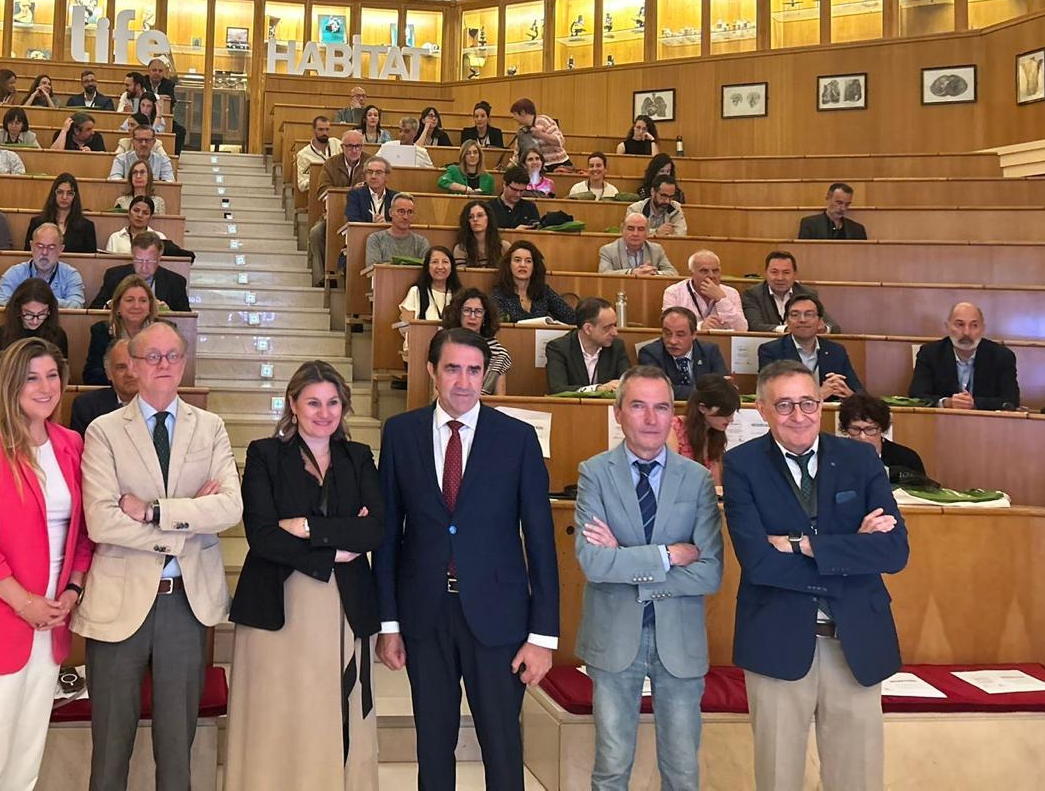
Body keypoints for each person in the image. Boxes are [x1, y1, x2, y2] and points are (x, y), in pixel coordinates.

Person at [374, 327, 559, 789]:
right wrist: (389, 624)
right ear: (431, 371)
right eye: (452, 369)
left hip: (499, 618)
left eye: (474, 370)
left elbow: (540, 541)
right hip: (425, 616)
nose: (463, 381)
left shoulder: (517, 438)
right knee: (433, 747)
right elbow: (388, 535)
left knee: (502, 747)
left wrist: (543, 636)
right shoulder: (401, 433)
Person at [723, 361, 908, 791]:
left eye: (808, 402)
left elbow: (894, 551)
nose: (799, 415)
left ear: (822, 405)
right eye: (784, 405)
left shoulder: (860, 458)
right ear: (762, 409)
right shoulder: (741, 465)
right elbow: (758, 562)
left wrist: (803, 545)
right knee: (778, 778)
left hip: (856, 640)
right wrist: (851, 549)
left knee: (858, 781)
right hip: (776, 638)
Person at [74, 322, 242, 791]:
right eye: (152, 357)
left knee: (176, 750)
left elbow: (230, 508)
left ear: (184, 363)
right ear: (132, 365)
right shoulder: (104, 431)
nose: (163, 365)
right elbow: (102, 521)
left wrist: (154, 512)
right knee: (110, 750)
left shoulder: (210, 427)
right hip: (118, 601)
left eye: (172, 356)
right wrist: (187, 524)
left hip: (184, 602)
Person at [227, 361, 384, 791]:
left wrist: (307, 526)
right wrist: (334, 549)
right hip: (278, 604)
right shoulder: (265, 454)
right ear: (292, 404)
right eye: (313, 402)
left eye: (333, 403)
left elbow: (375, 529)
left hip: (344, 604)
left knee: (333, 709)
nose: (324, 412)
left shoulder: (358, 457)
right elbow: (262, 535)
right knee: (278, 714)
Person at [0, 336, 92, 791]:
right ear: (10, 384)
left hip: (50, 624)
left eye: (52, 376)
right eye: (31, 378)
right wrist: (25, 603)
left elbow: (83, 533)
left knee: (25, 761)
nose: (46, 387)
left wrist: (72, 591)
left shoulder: (70, 444)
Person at [576, 366, 722, 791]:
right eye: (639, 406)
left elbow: (709, 572)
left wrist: (625, 561)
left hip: (680, 640)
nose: (651, 418)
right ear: (618, 412)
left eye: (662, 407)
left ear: (673, 415)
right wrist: (667, 555)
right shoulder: (594, 473)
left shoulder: (697, 479)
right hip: (613, 636)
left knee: (682, 769)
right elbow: (593, 563)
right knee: (611, 767)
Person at [909, 300, 1021, 410]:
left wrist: (974, 403)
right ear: (947, 327)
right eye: (960, 325)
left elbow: (1011, 400)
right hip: (942, 420)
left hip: (986, 421)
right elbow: (916, 396)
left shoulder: (1002, 356)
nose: (966, 332)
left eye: (974, 325)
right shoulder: (929, 353)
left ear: (983, 329)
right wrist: (947, 402)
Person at [757, 295, 863, 398]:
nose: (802, 320)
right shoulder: (771, 351)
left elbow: (859, 391)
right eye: (795, 315)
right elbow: (769, 393)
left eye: (808, 314)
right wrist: (818, 395)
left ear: (820, 322)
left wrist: (849, 394)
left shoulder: (836, 351)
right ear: (787, 322)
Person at [309, 131, 367, 287]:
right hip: (334, 214)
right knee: (316, 233)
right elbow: (322, 190)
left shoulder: (370, 163)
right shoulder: (331, 163)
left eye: (358, 146)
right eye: (350, 146)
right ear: (342, 147)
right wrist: (351, 190)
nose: (354, 150)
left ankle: (356, 279)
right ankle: (327, 274)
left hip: (363, 215)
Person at [82, 275, 158, 385]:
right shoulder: (102, 331)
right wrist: (124, 382)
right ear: (117, 306)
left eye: (143, 300)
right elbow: (91, 375)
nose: (136, 306)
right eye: (129, 300)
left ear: (150, 307)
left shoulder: (162, 332)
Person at [544, 297, 630, 394]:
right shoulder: (559, 348)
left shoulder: (617, 347)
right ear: (588, 329)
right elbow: (557, 389)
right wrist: (597, 389)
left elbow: (628, 384)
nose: (615, 333)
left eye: (614, 325)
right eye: (607, 328)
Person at [91, 233, 192, 313]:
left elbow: (186, 320)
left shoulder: (175, 282)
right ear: (132, 256)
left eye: (150, 261)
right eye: (139, 260)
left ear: (159, 257)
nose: (144, 267)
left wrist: (168, 312)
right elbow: (94, 309)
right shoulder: (114, 275)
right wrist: (109, 305)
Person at [0, 278, 69, 368]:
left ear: (50, 311)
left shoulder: (58, 335)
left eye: (41, 314)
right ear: (18, 310)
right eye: (28, 314)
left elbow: (63, 372)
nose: (35, 321)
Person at [743, 251, 839, 333]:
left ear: (795, 274)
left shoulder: (807, 293)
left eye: (786, 272)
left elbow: (834, 327)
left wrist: (824, 329)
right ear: (766, 273)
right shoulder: (752, 294)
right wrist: (785, 329)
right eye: (774, 272)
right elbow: (754, 326)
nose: (780, 278)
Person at [0, 223, 84, 308]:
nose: (44, 252)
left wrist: (42, 300)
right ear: (31, 246)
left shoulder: (70, 274)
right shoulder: (15, 272)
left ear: (61, 249)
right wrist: (30, 302)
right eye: (40, 246)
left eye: (51, 247)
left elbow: (77, 305)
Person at [839, 395, 928, 480]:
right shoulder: (835, 457)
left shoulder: (906, 459)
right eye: (855, 429)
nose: (862, 437)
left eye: (870, 429)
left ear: (882, 428)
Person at [637, 307, 727, 390]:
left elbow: (722, 387)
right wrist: (705, 392)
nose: (672, 341)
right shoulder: (650, 353)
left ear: (694, 334)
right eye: (667, 334)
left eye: (680, 335)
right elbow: (659, 389)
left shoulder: (710, 351)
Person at [672, 374, 739, 486]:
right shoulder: (675, 429)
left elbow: (717, 485)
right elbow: (669, 476)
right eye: (725, 413)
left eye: (732, 412)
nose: (731, 419)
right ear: (702, 408)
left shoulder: (715, 433)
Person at [441, 291, 511, 394]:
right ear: (458, 314)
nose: (472, 316)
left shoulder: (499, 354)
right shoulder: (444, 347)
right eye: (467, 310)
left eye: (478, 311)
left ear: (485, 316)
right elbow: (437, 393)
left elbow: (499, 399)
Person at [491, 239, 575, 324]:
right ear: (508, 264)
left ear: (534, 266)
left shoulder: (544, 291)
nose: (523, 265)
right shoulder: (499, 294)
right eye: (517, 260)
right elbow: (498, 324)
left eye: (528, 261)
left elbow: (571, 318)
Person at [662, 250, 747, 331]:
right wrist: (700, 326)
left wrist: (721, 300)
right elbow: (669, 325)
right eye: (704, 271)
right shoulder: (674, 292)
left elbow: (742, 328)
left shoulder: (732, 293)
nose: (711, 276)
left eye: (715, 271)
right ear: (691, 273)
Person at [69, 337, 138, 436]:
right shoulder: (87, 407)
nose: (130, 374)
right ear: (108, 373)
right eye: (121, 367)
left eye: (136, 366)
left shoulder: (160, 405)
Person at [24, 173, 97, 254]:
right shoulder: (37, 223)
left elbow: (90, 259)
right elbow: (28, 254)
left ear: (75, 197)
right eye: (60, 192)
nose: (64, 197)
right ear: (54, 194)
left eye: (70, 193)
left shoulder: (87, 227)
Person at [597, 214, 679, 276]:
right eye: (630, 229)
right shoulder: (608, 250)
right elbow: (604, 273)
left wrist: (653, 272)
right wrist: (632, 272)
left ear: (647, 232)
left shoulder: (656, 250)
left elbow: (673, 273)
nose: (635, 234)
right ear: (622, 230)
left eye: (640, 229)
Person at [365, 192, 430, 267]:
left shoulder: (421, 242)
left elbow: (427, 269)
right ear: (390, 213)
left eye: (410, 212)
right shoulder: (376, 239)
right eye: (401, 211)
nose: (405, 217)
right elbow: (373, 269)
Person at [798, 182, 868, 240]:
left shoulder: (857, 229)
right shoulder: (810, 224)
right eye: (839, 203)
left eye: (847, 204)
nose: (843, 208)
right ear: (827, 199)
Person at [109, 123, 174, 183]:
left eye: (147, 140)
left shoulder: (163, 160)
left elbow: (169, 182)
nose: (143, 144)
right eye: (139, 140)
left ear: (153, 142)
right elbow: (114, 181)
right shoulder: (121, 159)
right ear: (133, 142)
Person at [485, 165, 542, 230]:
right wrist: (515, 232)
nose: (518, 194)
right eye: (514, 189)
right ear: (504, 184)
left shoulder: (530, 208)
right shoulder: (489, 208)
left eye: (522, 190)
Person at [453, 199, 504, 269]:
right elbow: (462, 274)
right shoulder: (461, 249)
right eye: (471, 217)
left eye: (480, 215)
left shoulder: (504, 247)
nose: (475, 219)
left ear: (488, 218)